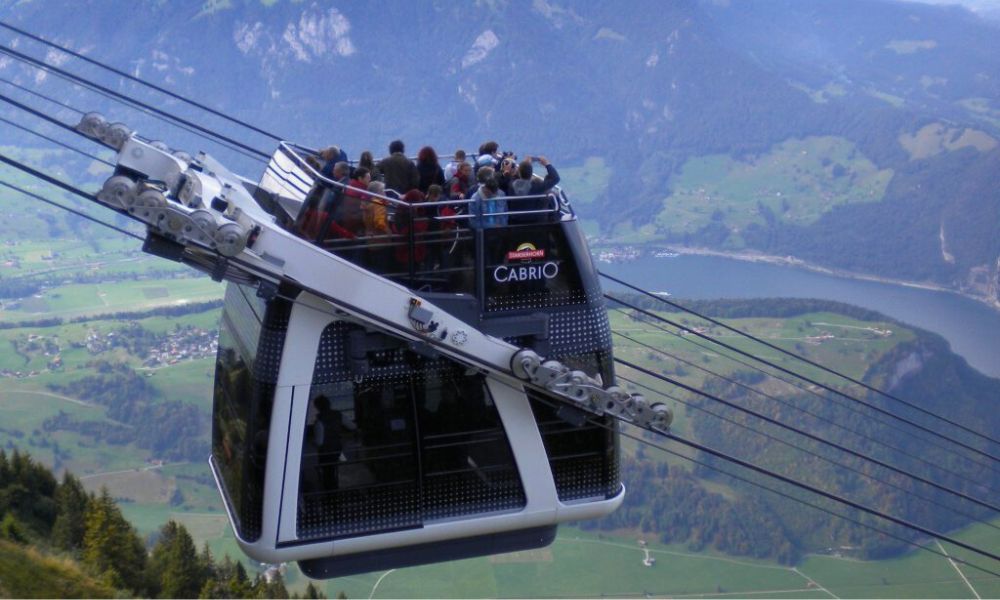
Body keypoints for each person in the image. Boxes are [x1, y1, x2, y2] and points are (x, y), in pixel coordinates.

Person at [508, 155, 561, 225]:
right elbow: (555, 178)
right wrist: (547, 164)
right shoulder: (537, 186)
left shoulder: (511, 185)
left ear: (519, 172)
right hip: (533, 220)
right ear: (531, 174)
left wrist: (525, 164)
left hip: (515, 220)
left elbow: (516, 175)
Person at [364, 180, 392, 273]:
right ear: (378, 192)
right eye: (383, 190)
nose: (384, 193)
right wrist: (388, 232)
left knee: (373, 268)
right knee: (381, 268)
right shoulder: (379, 204)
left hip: (371, 240)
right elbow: (379, 222)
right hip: (381, 241)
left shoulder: (368, 204)